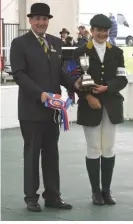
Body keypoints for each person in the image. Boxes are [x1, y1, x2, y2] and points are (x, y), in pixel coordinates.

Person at [10, 2, 81, 212]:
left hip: (52, 111)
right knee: (32, 154)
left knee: (52, 154)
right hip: (31, 110)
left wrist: (75, 85)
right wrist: (39, 94)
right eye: (37, 19)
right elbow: (19, 74)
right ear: (30, 20)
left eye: (45, 19)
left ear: (48, 21)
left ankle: (53, 196)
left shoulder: (56, 42)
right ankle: (31, 197)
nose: (41, 22)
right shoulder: (19, 43)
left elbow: (59, 72)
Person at [73, 14, 128, 205]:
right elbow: (76, 82)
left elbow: (122, 79)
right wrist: (88, 96)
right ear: (92, 30)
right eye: (99, 30)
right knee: (94, 147)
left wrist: (108, 88)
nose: (102, 34)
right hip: (90, 106)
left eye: (105, 30)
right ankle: (95, 192)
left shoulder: (117, 52)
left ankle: (106, 190)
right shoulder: (80, 51)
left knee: (109, 148)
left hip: (111, 105)